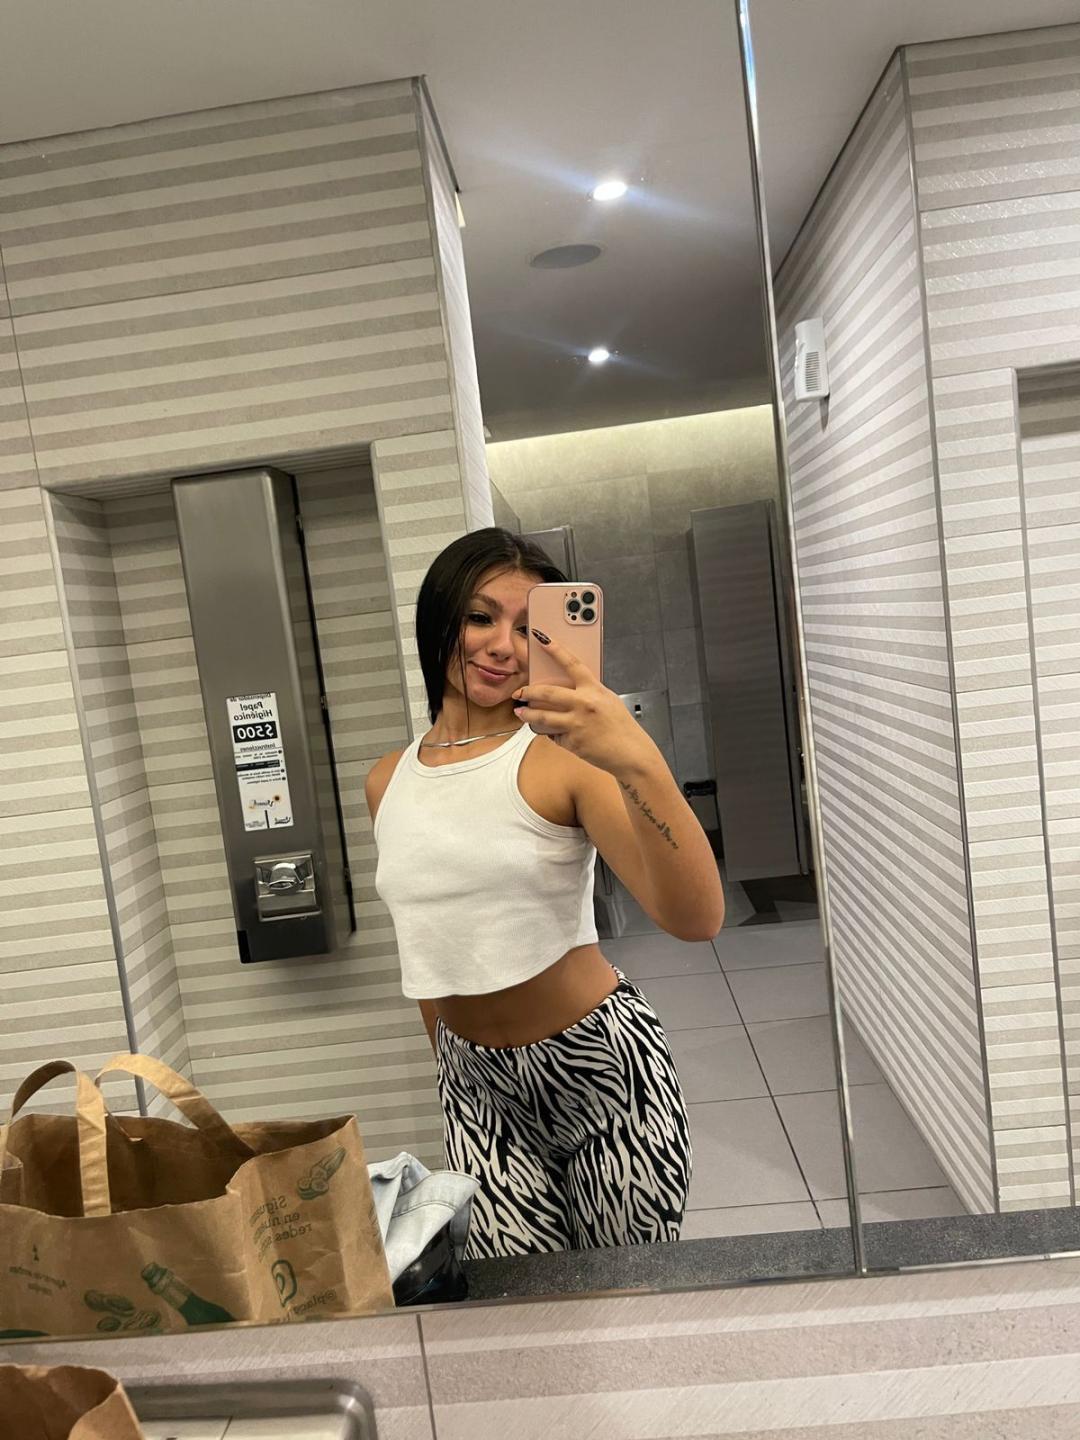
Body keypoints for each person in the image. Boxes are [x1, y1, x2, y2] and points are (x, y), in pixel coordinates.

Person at [366, 527, 724, 1258]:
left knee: (626, 1290)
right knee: (521, 1305)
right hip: (477, 1088)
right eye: (480, 617)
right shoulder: (386, 781)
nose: (503, 646)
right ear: (438, 618)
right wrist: (454, 1070)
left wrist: (637, 760)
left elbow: (697, 918)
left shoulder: (564, 760)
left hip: (601, 1073)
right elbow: (429, 948)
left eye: (530, 628)